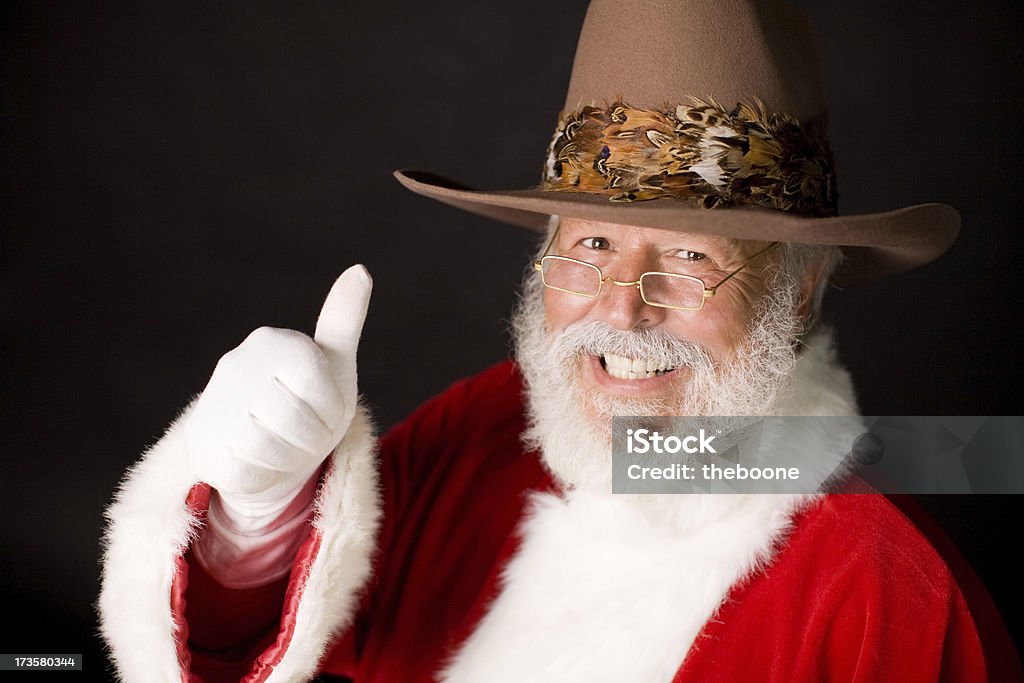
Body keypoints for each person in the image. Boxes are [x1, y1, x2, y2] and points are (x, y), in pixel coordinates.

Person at [99, 1, 1021, 681]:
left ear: (800, 282)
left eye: (695, 257)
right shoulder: (482, 425)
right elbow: (251, 643)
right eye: (590, 244)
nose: (622, 312)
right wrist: (251, 520)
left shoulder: (884, 590)